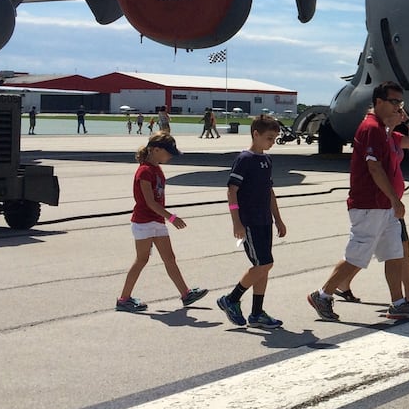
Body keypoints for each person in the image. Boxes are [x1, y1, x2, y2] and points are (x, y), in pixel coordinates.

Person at [306, 82, 409, 321]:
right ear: (379, 102)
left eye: (400, 104)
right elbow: (374, 167)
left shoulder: (383, 129)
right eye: (394, 102)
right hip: (369, 204)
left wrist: (392, 201)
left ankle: (399, 303)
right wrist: (395, 199)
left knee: (394, 252)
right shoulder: (371, 128)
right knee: (358, 256)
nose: (397, 108)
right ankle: (323, 294)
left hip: (384, 206)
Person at [336, 103, 409, 307]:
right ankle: (327, 290)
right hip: (381, 203)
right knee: (370, 250)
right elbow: (374, 168)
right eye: (397, 111)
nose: (400, 114)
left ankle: (405, 295)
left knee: (395, 247)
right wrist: (393, 199)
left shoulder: (394, 138)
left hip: (390, 203)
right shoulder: (377, 136)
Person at [113, 132, 209, 312]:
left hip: (157, 221)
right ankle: (123, 299)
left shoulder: (156, 168)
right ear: (155, 150)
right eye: (168, 152)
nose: (170, 156)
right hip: (144, 222)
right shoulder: (144, 171)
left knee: (170, 258)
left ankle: (186, 294)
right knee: (141, 260)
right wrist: (171, 217)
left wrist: (164, 218)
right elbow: (149, 202)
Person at [217, 116, 288, 328]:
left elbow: (269, 191)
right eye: (269, 138)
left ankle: (257, 313)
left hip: (264, 219)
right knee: (264, 264)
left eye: (275, 138)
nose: (272, 142)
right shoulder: (245, 159)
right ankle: (231, 299)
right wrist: (236, 222)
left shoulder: (266, 160)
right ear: (255, 134)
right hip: (250, 220)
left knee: (263, 267)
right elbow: (231, 191)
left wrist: (278, 219)